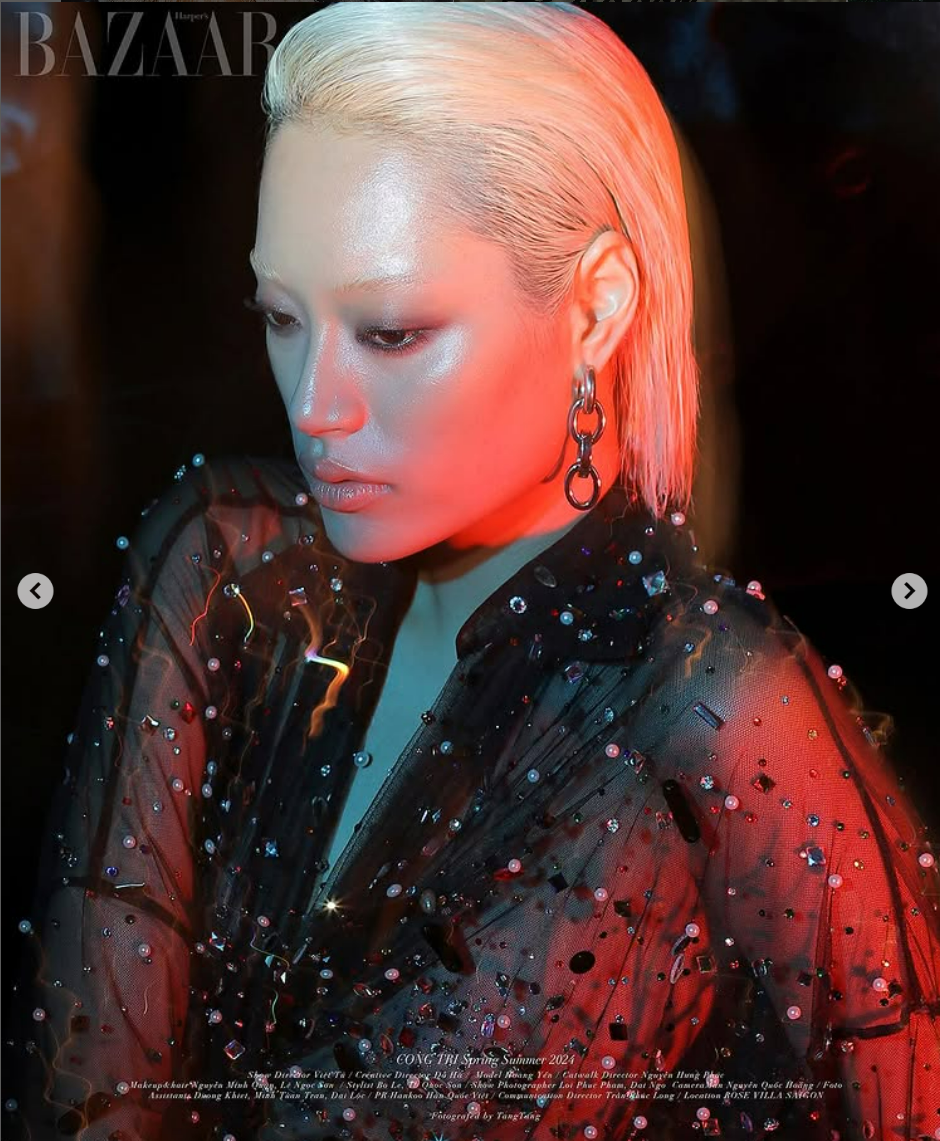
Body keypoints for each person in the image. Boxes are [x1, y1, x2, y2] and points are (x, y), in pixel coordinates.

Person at [9, 5, 939, 1140]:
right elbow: (87, 1072)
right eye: (282, 318)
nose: (314, 404)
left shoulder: (725, 718)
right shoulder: (225, 569)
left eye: (392, 332)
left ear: (596, 305)